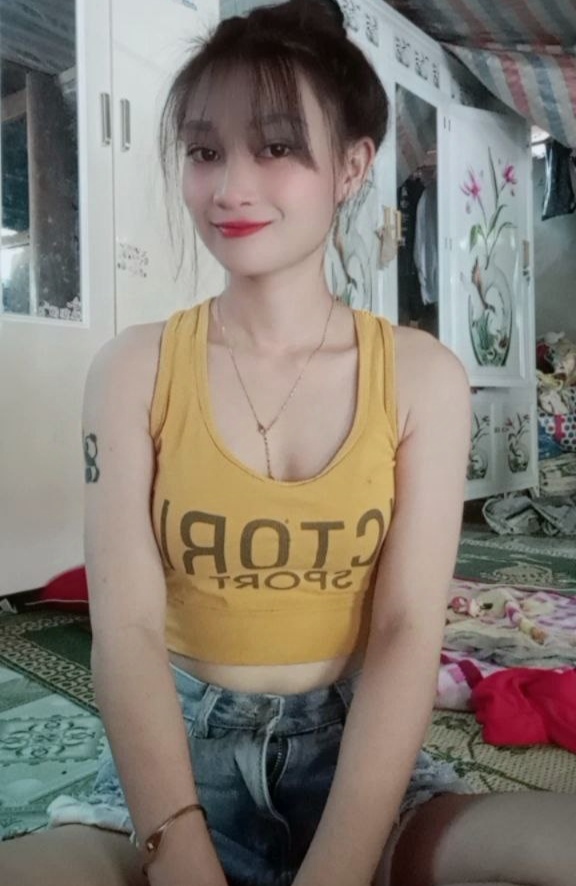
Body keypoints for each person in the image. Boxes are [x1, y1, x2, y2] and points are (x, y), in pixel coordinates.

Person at [1, 2, 575, 885]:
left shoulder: (421, 376)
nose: (230, 187)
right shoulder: (133, 370)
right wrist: (180, 853)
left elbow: (405, 628)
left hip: (361, 763)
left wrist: (340, 865)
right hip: (175, 764)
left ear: (352, 166)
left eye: (275, 147)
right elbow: (127, 629)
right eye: (204, 152)